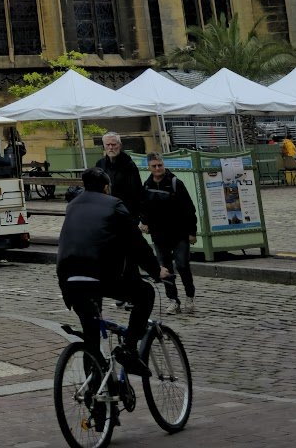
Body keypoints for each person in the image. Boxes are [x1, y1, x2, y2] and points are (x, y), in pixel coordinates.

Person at [56, 165, 160, 382]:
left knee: (91, 338)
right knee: (145, 294)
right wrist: (157, 270)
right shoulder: (114, 205)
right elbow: (136, 243)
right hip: (102, 278)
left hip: (69, 280)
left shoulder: (72, 206)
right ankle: (130, 349)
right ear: (106, 187)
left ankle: (95, 393)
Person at [140, 152, 198, 315]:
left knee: (182, 265)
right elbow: (144, 207)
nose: (158, 168)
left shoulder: (175, 183)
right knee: (165, 268)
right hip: (159, 235)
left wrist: (192, 232)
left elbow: (189, 209)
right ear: (149, 167)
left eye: (160, 165)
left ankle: (189, 295)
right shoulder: (147, 184)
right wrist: (144, 222)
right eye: (154, 166)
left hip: (179, 233)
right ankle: (173, 300)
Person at [98, 131, 145, 218]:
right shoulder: (100, 164)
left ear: (119, 145)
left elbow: (137, 191)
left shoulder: (129, 165)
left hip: (125, 212)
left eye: (113, 144)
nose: (110, 147)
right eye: (107, 145)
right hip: (106, 211)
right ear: (104, 146)